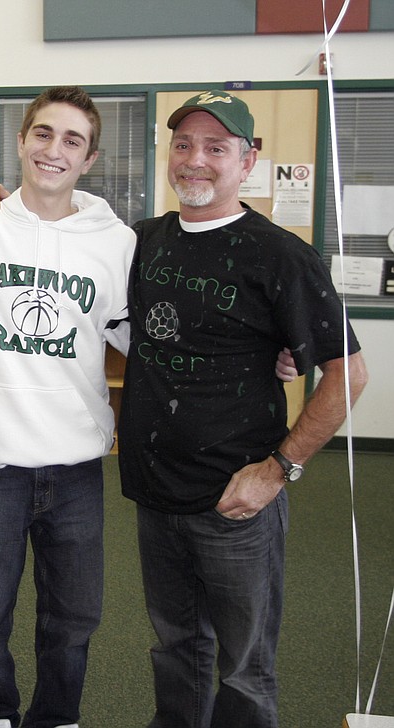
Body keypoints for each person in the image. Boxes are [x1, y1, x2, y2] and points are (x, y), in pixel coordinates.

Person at [120, 90, 368, 728]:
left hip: (239, 499)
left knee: (244, 666)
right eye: (183, 145)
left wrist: (279, 468)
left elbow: (348, 376)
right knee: (175, 647)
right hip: (156, 494)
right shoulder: (143, 241)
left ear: (248, 159)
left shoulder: (280, 254)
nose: (195, 160)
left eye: (216, 147)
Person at [0, 86, 134, 728]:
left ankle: (57, 717)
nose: (54, 150)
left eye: (71, 140)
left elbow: (151, 341)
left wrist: (269, 352)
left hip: (76, 464)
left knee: (72, 617)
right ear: (21, 141)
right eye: (42, 135)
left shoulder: (117, 244)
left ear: (90, 157)